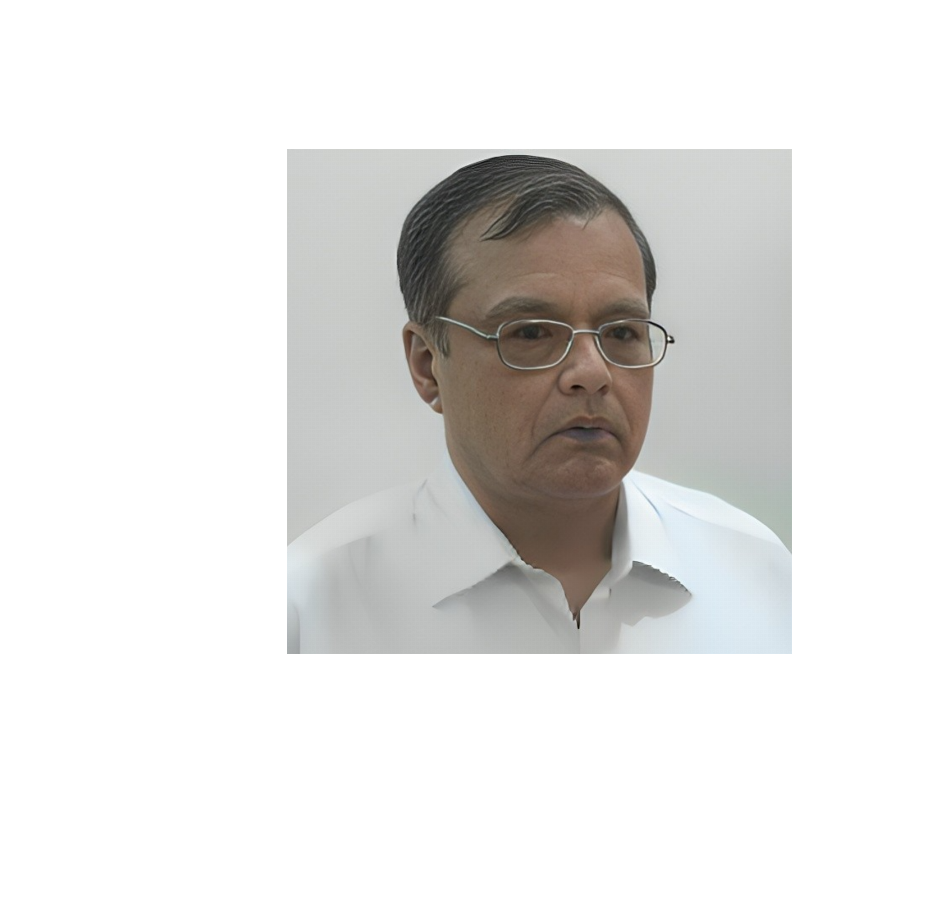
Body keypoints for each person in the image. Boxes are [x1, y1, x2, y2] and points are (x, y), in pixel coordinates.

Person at [287, 154, 791, 654]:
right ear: (427, 363)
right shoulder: (316, 604)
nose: (592, 373)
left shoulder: (754, 571)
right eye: (530, 333)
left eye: (621, 333)